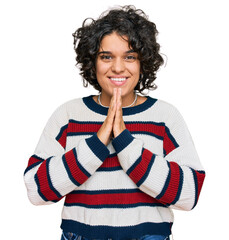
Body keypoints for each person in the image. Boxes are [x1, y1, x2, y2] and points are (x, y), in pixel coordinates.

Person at [24, 5, 205, 240]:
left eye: (130, 57)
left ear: (143, 62)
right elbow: (36, 190)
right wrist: (98, 142)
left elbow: (189, 193)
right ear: (92, 62)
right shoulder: (67, 115)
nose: (118, 67)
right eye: (106, 57)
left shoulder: (166, 116)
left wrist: (124, 140)